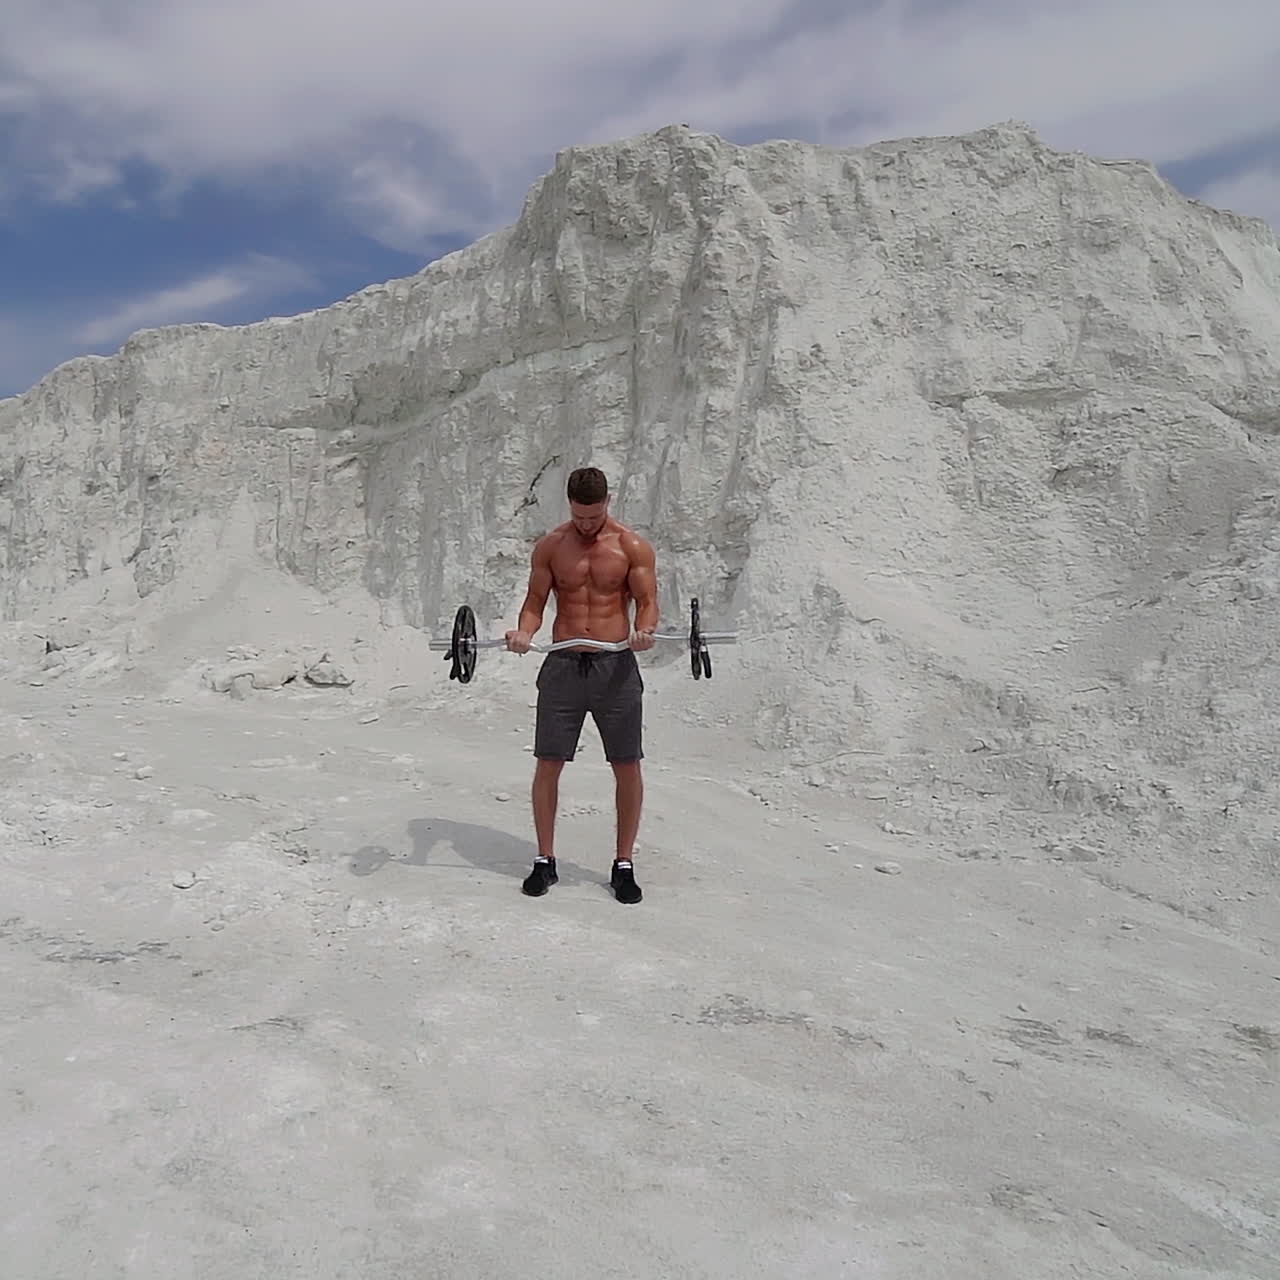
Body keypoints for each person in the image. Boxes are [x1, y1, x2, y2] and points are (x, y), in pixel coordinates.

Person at [504, 466, 658, 904]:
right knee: (548, 763)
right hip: (563, 666)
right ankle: (544, 861)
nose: (586, 525)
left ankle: (623, 864)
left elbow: (647, 603)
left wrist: (644, 631)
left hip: (615, 666)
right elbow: (535, 603)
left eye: (593, 517)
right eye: (578, 517)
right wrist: (524, 633)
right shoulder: (552, 546)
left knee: (626, 765)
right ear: (569, 506)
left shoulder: (631, 546)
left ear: (607, 503)